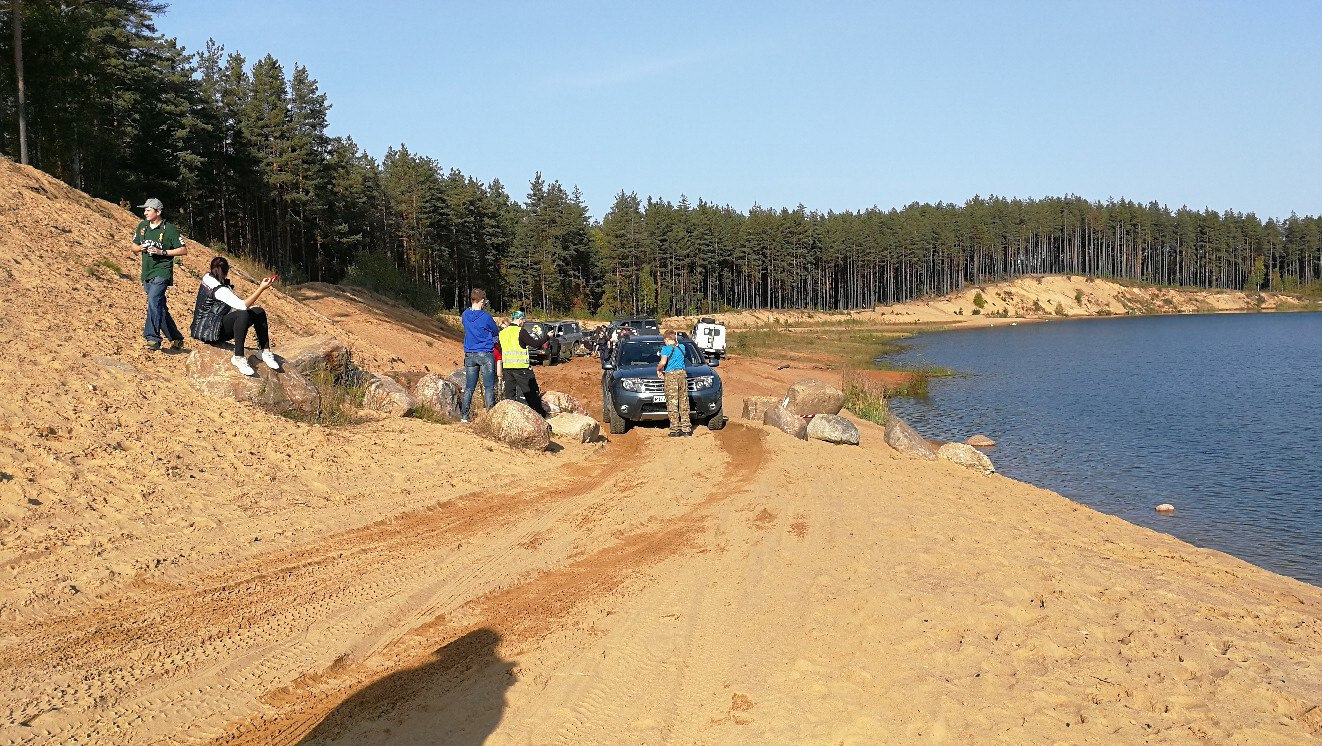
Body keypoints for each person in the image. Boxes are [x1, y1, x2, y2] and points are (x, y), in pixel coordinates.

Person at [189, 256, 280, 376]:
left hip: (212, 324)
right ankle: (238, 357)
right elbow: (242, 306)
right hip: (209, 332)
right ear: (226, 272)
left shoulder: (208, 278)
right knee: (242, 314)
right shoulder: (219, 289)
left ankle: (264, 351)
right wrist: (261, 288)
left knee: (259, 311)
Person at [129, 198, 189, 351]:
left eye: (148, 210)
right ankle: (176, 337)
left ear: (158, 212)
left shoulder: (169, 229)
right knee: (159, 305)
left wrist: (162, 252)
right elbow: (133, 247)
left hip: (162, 271)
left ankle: (152, 338)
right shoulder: (142, 227)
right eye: (145, 210)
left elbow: (183, 249)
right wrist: (142, 247)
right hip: (147, 271)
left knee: (153, 300)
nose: (145, 213)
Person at [460, 289, 500, 423]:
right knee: (489, 387)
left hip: (470, 354)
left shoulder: (465, 314)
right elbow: (495, 331)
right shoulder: (486, 317)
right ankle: (490, 417)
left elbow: (466, 326)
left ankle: (464, 416)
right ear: (482, 301)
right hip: (485, 353)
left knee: (469, 388)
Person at [499, 311, 546, 415]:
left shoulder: (502, 333)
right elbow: (536, 344)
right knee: (530, 393)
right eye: (523, 320)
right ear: (520, 319)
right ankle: (540, 415)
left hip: (507, 367)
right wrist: (547, 337)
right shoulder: (520, 331)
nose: (524, 322)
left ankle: (510, 415)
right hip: (520, 368)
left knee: (510, 395)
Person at [657, 329, 692, 437]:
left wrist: (658, 369)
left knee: (672, 403)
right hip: (682, 375)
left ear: (667, 339)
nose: (665, 343)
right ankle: (686, 428)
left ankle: (675, 429)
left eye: (665, 341)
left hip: (671, 376)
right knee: (684, 401)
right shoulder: (682, 347)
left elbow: (663, 362)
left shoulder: (665, 349)